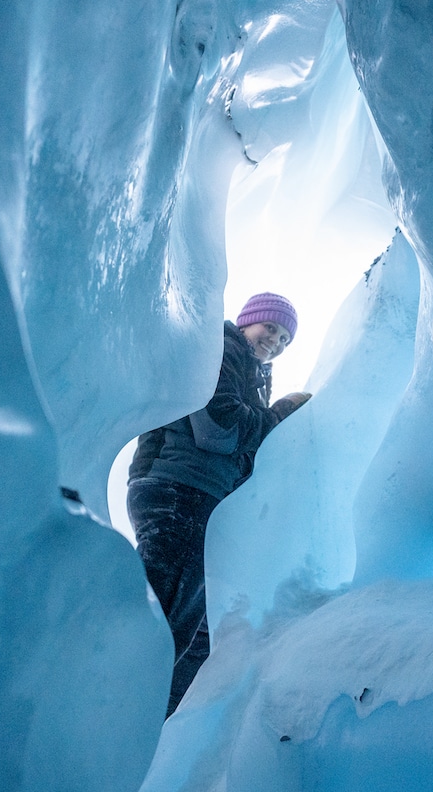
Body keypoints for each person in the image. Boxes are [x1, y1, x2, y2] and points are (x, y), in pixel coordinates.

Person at [128, 292, 311, 717]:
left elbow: (238, 453)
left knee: (197, 635)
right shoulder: (223, 349)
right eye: (271, 328)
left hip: (199, 501)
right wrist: (279, 416)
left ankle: (155, 733)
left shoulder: (249, 375)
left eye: (285, 338)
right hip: (180, 490)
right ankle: (116, 714)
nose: (276, 341)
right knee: (163, 624)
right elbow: (217, 429)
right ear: (249, 321)